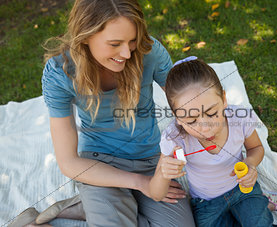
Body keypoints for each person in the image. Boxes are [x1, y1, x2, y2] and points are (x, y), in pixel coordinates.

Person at [8, 0, 195, 226]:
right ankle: (96, 203)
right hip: (99, 164)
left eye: (132, 40)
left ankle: (87, 206)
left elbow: (186, 104)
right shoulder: (60, 73)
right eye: (115, 43)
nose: (126, 53)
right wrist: (141, 183)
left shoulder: (149, 51)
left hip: (151, 158)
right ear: (85, 36)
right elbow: (68, 162)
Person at [148, 57, 277, 226]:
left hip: (243, 191)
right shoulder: (174, 138)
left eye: (211, 113)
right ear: (177, 118)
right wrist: (163, 174)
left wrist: (251, 163)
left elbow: (256, 147)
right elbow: (156, 194)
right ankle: (263, 206)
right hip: (207, 204)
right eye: (191, 120)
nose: (204, 127)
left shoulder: (240, 119)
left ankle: (261, 204)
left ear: (224, 99)